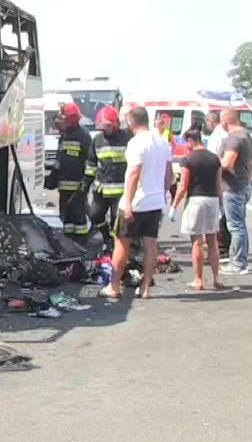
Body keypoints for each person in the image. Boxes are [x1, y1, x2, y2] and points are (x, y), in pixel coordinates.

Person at [101, 106, 172, 301]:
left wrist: (129, 203)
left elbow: (134, 173)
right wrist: (164, 194)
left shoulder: (135, 143)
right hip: (155, 201)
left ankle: (114, 286)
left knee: (122, 243)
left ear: (132, 121)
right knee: (151, 245)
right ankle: (146, 288)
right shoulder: (161, 141)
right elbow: (169, 175)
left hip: (137, 201)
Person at [169, 128, 225, 290]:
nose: (185, 146)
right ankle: (216, 278)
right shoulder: (215, 159)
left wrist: (174, 206)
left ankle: (198, 279)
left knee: (197, 242)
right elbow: (218, 184)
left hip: (196, 200)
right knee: (212, 240)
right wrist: (220, 204)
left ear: (191, 141)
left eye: (186, 142)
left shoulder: (188, 160)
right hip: (212, 200)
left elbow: (183, 186)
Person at [85, 104, 132, 256]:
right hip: (101, 189)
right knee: (95, 215)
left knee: (116, 222)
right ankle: (107, 239)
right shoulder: (97, 140)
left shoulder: (127, 139)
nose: (104, 129)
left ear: (116, 124)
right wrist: (86, 183)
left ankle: (116, 249)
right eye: (102, 125)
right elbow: (92, 163)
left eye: (108, 125)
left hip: (120, 191)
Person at [218, 108, 252, 275]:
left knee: (235, 226)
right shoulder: (246, 135)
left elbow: (227, 163)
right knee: (240, 225)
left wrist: (211, 159)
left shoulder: (233, 138)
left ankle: (238, 263)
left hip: (232, 187)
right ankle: (240, 261)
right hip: (243, 184)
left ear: (226, 121)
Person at [51, 103, 92, 241]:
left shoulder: (83, 135)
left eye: (64, 118)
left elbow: (90, 160)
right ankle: (69, 240)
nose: (61, 121)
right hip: (64, 184)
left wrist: (85, 182)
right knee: (66, 216)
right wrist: (53, 177)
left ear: (71, 119)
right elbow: (60, 159)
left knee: (78, 216)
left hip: (77, 185)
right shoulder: (65, 135)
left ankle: (82, 242)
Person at [205, 110, 231, 254]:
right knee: (223, 212)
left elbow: (213, 160)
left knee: (220, 214)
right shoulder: (223, 134)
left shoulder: (217, 136)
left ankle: (221, 247)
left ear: (211, 121)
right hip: (223, 177)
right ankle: (223, 246)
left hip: (218, 177)